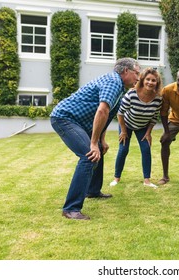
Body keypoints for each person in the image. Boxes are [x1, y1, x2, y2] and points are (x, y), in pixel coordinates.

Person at [50, 57, 141, 220]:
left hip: (80, 122)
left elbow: (106, 115)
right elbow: (102, 111)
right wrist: (93, 143)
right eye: (137, 73)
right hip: (65, 118)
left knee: (98, 148)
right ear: (126, 71)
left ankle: (92, 190)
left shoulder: (120, 88)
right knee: (89, 155)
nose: (138, 77)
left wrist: (101, 140)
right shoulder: (113, 82)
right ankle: (71, 209)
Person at [109, 67, 163, 188]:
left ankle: (147, 180)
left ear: (157, 83)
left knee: (146, 149)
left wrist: (148, 133)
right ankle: (116, 178)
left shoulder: (158, 98)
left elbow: (154, 117)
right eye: (148, 79)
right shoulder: (132, 94)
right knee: (123, 149)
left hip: (142, 126)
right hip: (126, 124)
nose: (150, 82)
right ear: (143, 80)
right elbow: (120, 113)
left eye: (153, 80)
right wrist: (123, 131)